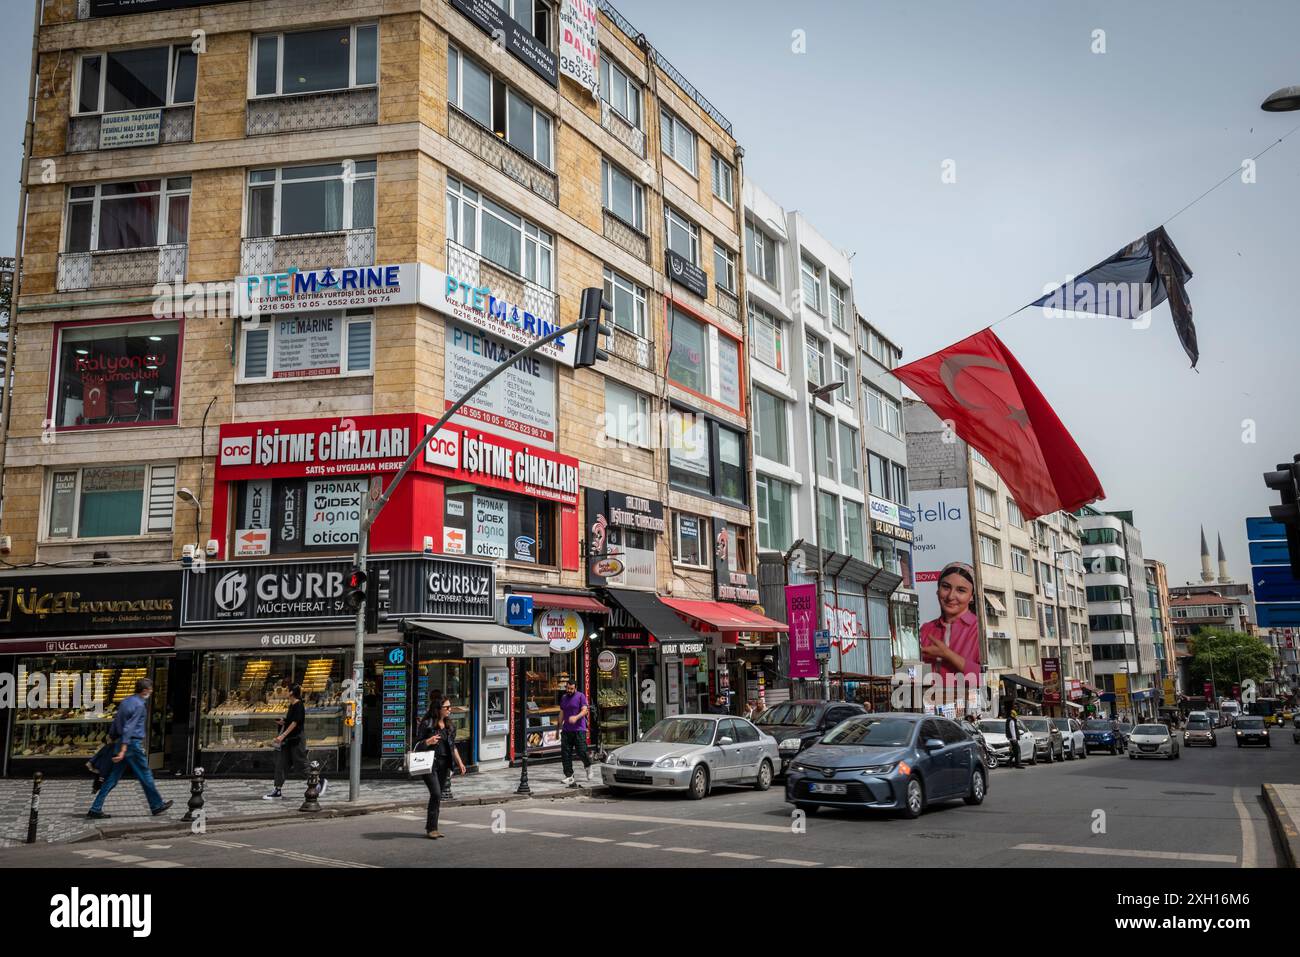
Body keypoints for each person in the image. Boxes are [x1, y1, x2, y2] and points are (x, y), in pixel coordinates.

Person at [86, 678, 173, 819]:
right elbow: (129, 727)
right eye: (150, 689)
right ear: (144, 690)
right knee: (145, 775)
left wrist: (114, 740)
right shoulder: (139, 705)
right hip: (131, 745)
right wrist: (123, 749)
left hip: (121, 742)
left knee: (112, 778)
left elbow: (116, 723)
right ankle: (157, 805)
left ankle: (95, 808)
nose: (151, 692)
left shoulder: (126, 701)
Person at [919, 562, 980, 695]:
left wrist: (947, 654)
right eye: (946, 587)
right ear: (937, 590)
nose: (951, 596)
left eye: (961, 590)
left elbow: (988, 676)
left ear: (972, 597)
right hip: (926, 706)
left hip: (967, 708)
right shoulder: (925, 630)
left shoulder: (980, 630)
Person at [264, 685, 326, 800]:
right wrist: (283, 722)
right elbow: (290, 721)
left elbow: (295, 723)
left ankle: (319, 781)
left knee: (300, 763)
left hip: (296, 739)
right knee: (281, 764)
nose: (285, 692)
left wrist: (282, 735)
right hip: (288, 741)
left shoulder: (299, 705)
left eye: (287, 690)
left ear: (292, 692)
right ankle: (277, 790)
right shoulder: (292, 705)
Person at [416, 696, 466, 839]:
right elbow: (417, 745)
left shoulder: (450, 726)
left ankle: (433, 828)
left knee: (437, 797)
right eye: (447, 707)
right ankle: (431, 828)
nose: (450, 710)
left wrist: (460, 763)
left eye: (450, 707)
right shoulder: (427, 724)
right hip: (430, 763)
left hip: (445, 764)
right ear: (438, 709)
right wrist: (428, 741)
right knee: (436, 793)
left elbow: (453, 746)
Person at [559, 678, 593, 786]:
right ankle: (569, 776)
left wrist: (576, 717)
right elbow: (561, 713)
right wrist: (557, 728)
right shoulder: (564, 698)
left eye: (571, 689)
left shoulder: (580, 696)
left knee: (581, 751)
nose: (569, 690)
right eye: (568, 688)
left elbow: (585, 710)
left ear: (575, 688)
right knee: (565, 754)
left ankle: (588, 766)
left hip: (579, 730)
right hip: (566, 730)